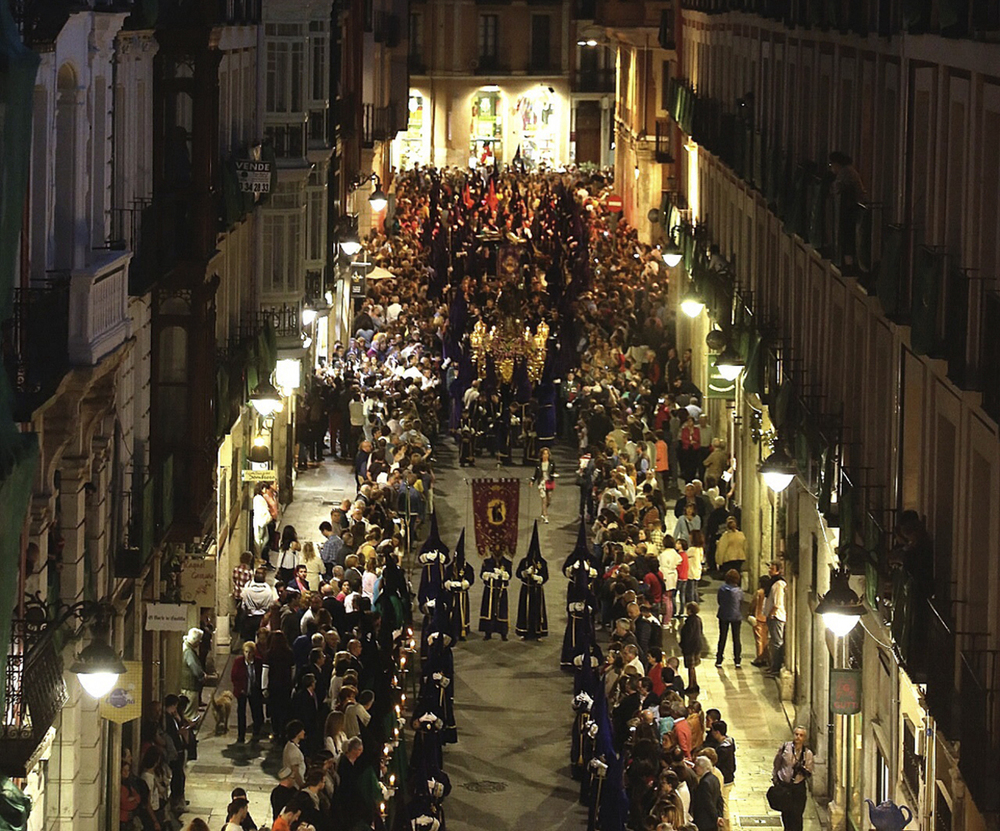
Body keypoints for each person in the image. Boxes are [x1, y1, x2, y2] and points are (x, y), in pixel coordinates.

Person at [772, 726, 814, 831]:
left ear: (804, 738)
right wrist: (775, 778)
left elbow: (809, 773)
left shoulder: (807, 754)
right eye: (797, 734)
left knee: (797, 816)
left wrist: (801, 769)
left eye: (801, 735)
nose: (798, 737)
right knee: (786, 816)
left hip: (797, 788)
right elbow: (777, 763)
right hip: (785, 786)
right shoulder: (785, 748)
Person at [515, 523, 549, 640]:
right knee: (525, 610)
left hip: (537, 590)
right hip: (526, 588)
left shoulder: (542, 562)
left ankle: (537, 632)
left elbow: (546, 576)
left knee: (537, 611)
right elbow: (517, 573)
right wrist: (525, 573)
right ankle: (524, 631)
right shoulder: (524, 561)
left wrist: (539, 578)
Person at [230, 641, 264, 743]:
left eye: (250, 652)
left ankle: (256, 732)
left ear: (254, 652)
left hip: (254, 690)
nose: (248, 654)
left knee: (256, 711)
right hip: (242, 691)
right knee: (241, 713)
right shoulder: (238, 661)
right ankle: (241, 735)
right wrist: (239, 688)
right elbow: (234, 676)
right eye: (246, 652)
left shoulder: (258, 662)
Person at [479, 551, 512, 641]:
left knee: (501, 611)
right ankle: (488, 632)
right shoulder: (487, 562)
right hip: (489, 590)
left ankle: (503, 633)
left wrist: (502, 574)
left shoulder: (507, 563)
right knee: (489, 610)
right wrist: (491, 574)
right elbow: (482, 574)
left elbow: (510, 575)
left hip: (501, 590)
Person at [715, 569, 744, 668]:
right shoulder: (739, 591)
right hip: (736, 616)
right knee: (736, 638)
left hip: (723, 614)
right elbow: (741, 602)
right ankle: (737, 660)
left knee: (722, 637)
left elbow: (719, 601)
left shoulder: (722, 589)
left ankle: (719, 658)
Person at [711, 720, 736, 831]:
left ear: (717, 732)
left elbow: (720, 764)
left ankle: (726, 828)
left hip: (725, 780)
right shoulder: (729, 742)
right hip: (729, 777)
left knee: (724, 805)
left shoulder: (723, 749)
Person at [763, 561, 787, 677]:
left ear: (778, 570)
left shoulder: (778, 585)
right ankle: (772, 666)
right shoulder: (773, 583)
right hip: (772, 616)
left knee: (777, 642)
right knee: (773, 642)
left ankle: (776, 668)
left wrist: (772, 614)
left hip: (776, 617)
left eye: (772, 569)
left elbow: (778, 603)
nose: (770, 571)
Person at [692, 755, 724, 831]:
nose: (695, 769)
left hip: (705, 821)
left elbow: (708, 803)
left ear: (702, 767)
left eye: (697, 766)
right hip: (712, 821)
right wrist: (719, 815)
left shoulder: (705, 783)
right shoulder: (714, 778)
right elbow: (720, 799)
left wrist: (716, 817)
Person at [180, 628, 207, 716]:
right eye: (199, 641)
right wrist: (202, 676)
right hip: (190, 685)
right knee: (190, 713)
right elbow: (194, 667)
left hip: (187, 685)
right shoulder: (189, 652)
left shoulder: (185, 647)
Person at [679, 602, 703, 694]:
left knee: (690, 667)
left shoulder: (690, 622)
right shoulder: (698, 620)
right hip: (697, 646)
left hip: (690, 647)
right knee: (693, 667)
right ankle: (695, 683)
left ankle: (691, 685)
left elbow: (687, 636)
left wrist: (682, 645)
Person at [750, 575, 771, 666]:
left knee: (759, 639)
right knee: (765, 639)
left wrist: (749, 612)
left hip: (758, 618)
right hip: (767, 618)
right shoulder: (769, 593)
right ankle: (766, 658)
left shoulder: (759, 593)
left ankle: (759, 658)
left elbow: (753, 603)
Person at [532, 446, 556, 523]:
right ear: (541, 455)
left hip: (549, 482)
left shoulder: (551, 463)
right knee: (544, 500)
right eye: (544, 454)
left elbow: (553, 472)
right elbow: (536, 474)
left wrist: (553, 475)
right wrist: (532, 481)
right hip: (541, 483)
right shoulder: (539, 464)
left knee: (549, 499)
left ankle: (543, 511)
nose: (545, 455)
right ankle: (545, 516)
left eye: (547, 454)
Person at [282, 720, 307, 787]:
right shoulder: (293, 750)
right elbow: (295, 771)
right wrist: (302, 785)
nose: (304, 732)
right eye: (302, 730)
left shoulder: (290, 746)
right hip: (295, 785)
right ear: (297, 733)